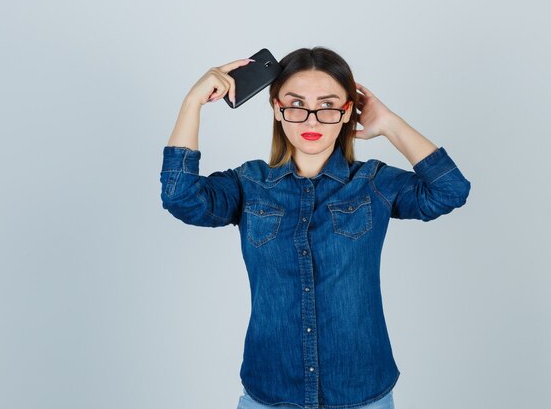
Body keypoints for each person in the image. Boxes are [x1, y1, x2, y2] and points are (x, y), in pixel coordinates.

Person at [159, 47, 471, 409]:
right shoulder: (249, 183)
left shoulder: (373, 183)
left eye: (327, 106)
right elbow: (180, 197)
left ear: (346, 111)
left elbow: (450, 190)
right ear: (277, 109)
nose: (310, 120)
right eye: (295, 105)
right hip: (271, 391)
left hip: (360, 391)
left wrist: (388, 124)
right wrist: (192, 102)